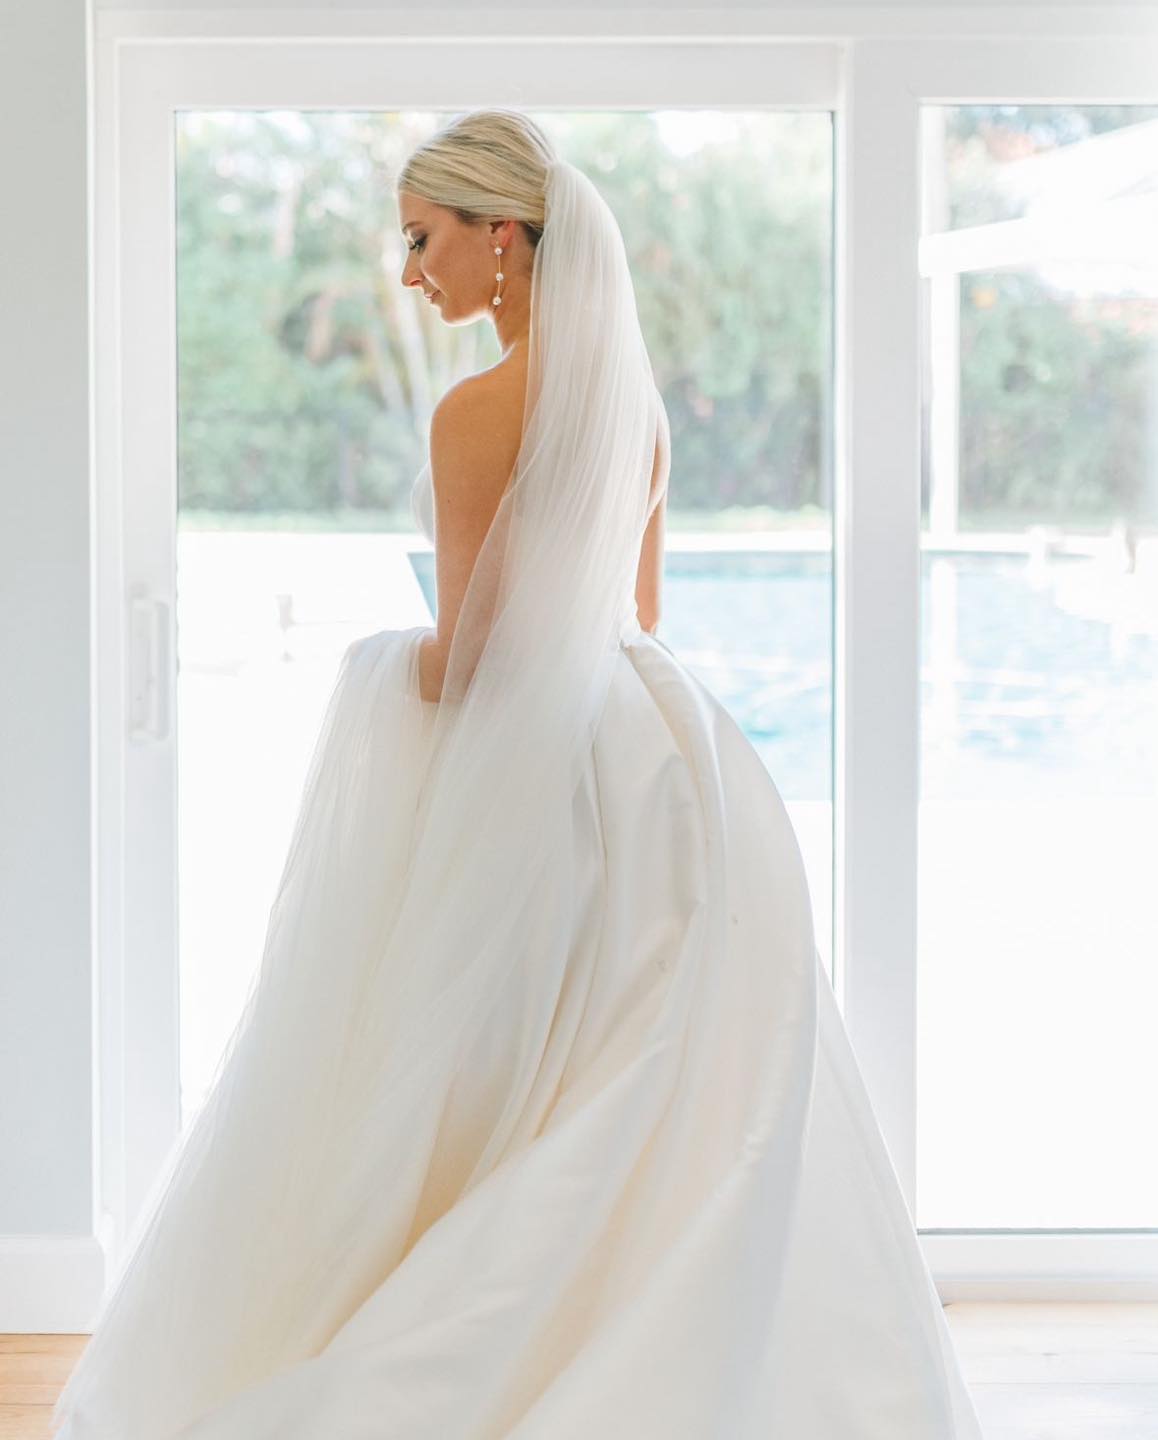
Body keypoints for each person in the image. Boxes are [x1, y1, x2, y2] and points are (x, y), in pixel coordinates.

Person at [52, 109, 984, 1439]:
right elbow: (636, 618)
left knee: (482, 1070)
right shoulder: (637, 415)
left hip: (540, 772)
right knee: (652, 1072)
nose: (409, 272)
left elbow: (474, 655)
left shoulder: (479, 411)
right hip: (667, 771)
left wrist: (378, 669)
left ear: (505, 238)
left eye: (425, 239)